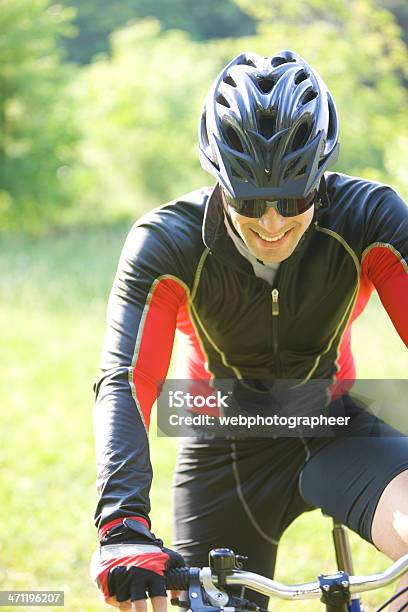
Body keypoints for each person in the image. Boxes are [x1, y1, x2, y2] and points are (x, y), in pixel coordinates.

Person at [91, 50, 408, 611]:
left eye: (293, 199)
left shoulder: (371, 217)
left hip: (333, 424)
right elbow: (125, 380)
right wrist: (122, 523)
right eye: (249, 200)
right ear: (218, 179)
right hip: (221, 445)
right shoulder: (167, 245)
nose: (272, 223)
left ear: (321, 177)